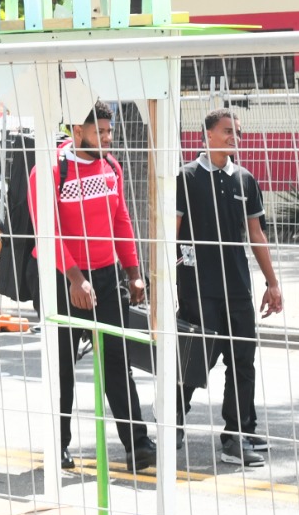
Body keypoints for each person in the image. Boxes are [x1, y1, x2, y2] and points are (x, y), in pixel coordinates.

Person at [174, 109, 284, 465]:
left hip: (237, 287)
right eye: (227, 131)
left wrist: (272, 282)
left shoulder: (246, 180)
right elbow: (171, 234)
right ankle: (172, 419)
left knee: (243, 361)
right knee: (195, 358)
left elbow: (256, 234)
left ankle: (237, 435)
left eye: (237, 131)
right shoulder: (185, 177)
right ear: (206, 135)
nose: (234, 136)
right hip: (198, 287)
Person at [52, 105, 155, 474]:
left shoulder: (111, 167)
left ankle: (137, 444)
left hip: (108, 278)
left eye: (111, 131)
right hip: (63, 281)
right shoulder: (50, 171)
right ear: (78, 130)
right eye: (102, 132)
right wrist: (75, 279)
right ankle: (57, 445)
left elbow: (121, 220)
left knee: (117, 361)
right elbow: (47, 235)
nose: (109, 139)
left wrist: (133, 272)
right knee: (60, 368)